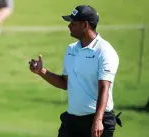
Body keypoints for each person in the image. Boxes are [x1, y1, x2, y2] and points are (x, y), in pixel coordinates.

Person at [29, 5, 122, 137]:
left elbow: (104, 87)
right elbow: (65, 83)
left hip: (97, 121)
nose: (69, 26)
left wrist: (98, 120)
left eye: (73, 23)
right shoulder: (71, 49)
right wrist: (41, 71)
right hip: (72, 121)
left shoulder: (105, 51)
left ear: (85, 25)